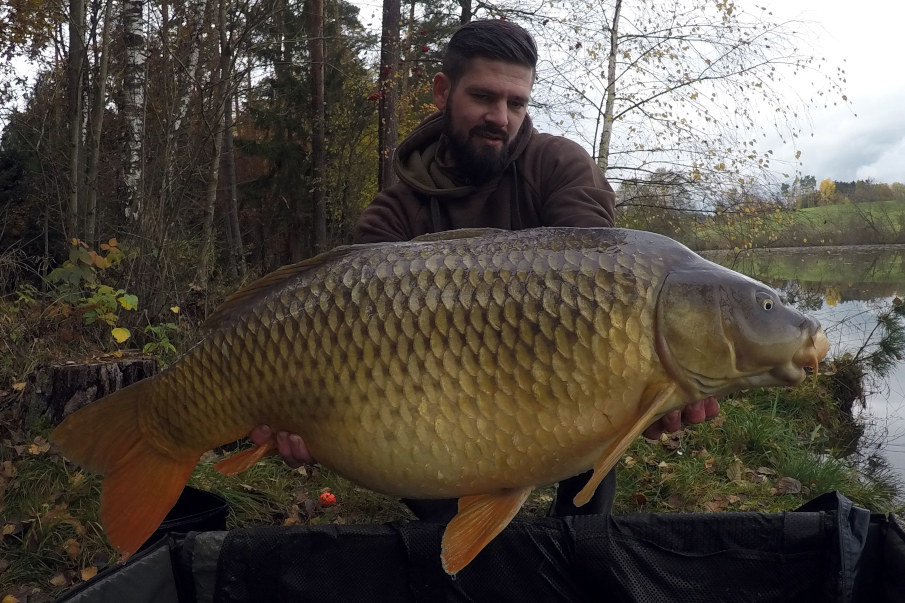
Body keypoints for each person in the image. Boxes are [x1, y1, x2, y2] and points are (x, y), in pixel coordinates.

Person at [250, 19, 719, 520]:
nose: (501, 116)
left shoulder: (558, 166)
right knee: (409, 453)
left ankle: (580, 539)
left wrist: (657, 384)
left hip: (557, 377)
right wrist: (300, 420)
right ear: (442, 92)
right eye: (484, 97)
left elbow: (607, 277)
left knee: (595, 387)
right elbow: (347, 322)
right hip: (437, 394)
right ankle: (451, 537)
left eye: (516, 103)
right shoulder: (396, 212)